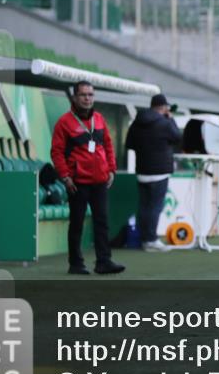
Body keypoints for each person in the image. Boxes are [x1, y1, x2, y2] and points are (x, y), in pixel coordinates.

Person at [51, 81, 124, 275]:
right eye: (83, 94)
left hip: (100, 180)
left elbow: (108, 145)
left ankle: (104, 262)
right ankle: (75, 264)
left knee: (102, 222)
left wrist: (111, 170)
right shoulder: (64, 122)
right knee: (77, 223)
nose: (87, 98)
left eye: (90, 94)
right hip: (77, 182)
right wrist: (65, 177)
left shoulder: (99, 119)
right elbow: (56, 152)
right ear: (75, 97)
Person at [125, 93, 181, 252]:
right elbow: (177, 137)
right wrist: (170, 119)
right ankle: (151, 240)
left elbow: (129, 144)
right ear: (163, 107)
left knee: (144, 206)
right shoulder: (164, 122)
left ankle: (144, 239)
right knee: (155, 207)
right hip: (160, 171)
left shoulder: (137, 122)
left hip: (142, 170)